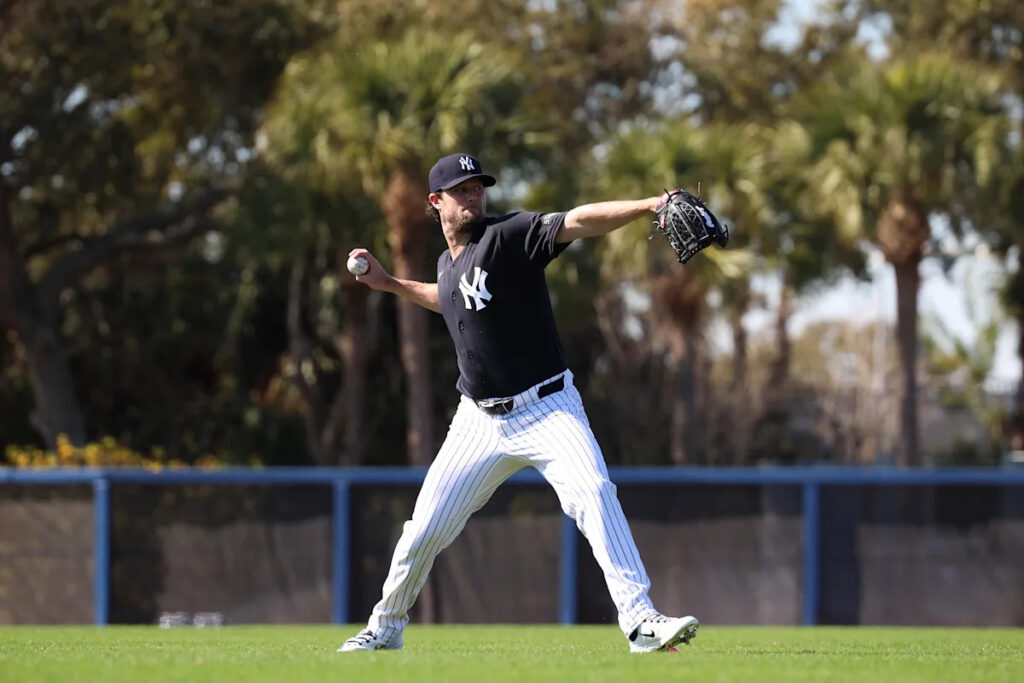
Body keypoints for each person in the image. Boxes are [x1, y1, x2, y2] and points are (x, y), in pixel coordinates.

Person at [338, 152, 699, 654]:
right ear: (435, 201)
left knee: (594, 492)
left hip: (548, 407)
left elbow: (576, 220)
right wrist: (391, 284)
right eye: (461, 189)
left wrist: (648, 205)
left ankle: (641, 622)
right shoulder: (448, 263)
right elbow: (446, 297)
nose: (473, 196)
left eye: (477, 187)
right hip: (478, 422)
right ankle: (385, 627)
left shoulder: (508, 235)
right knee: (423, 530)